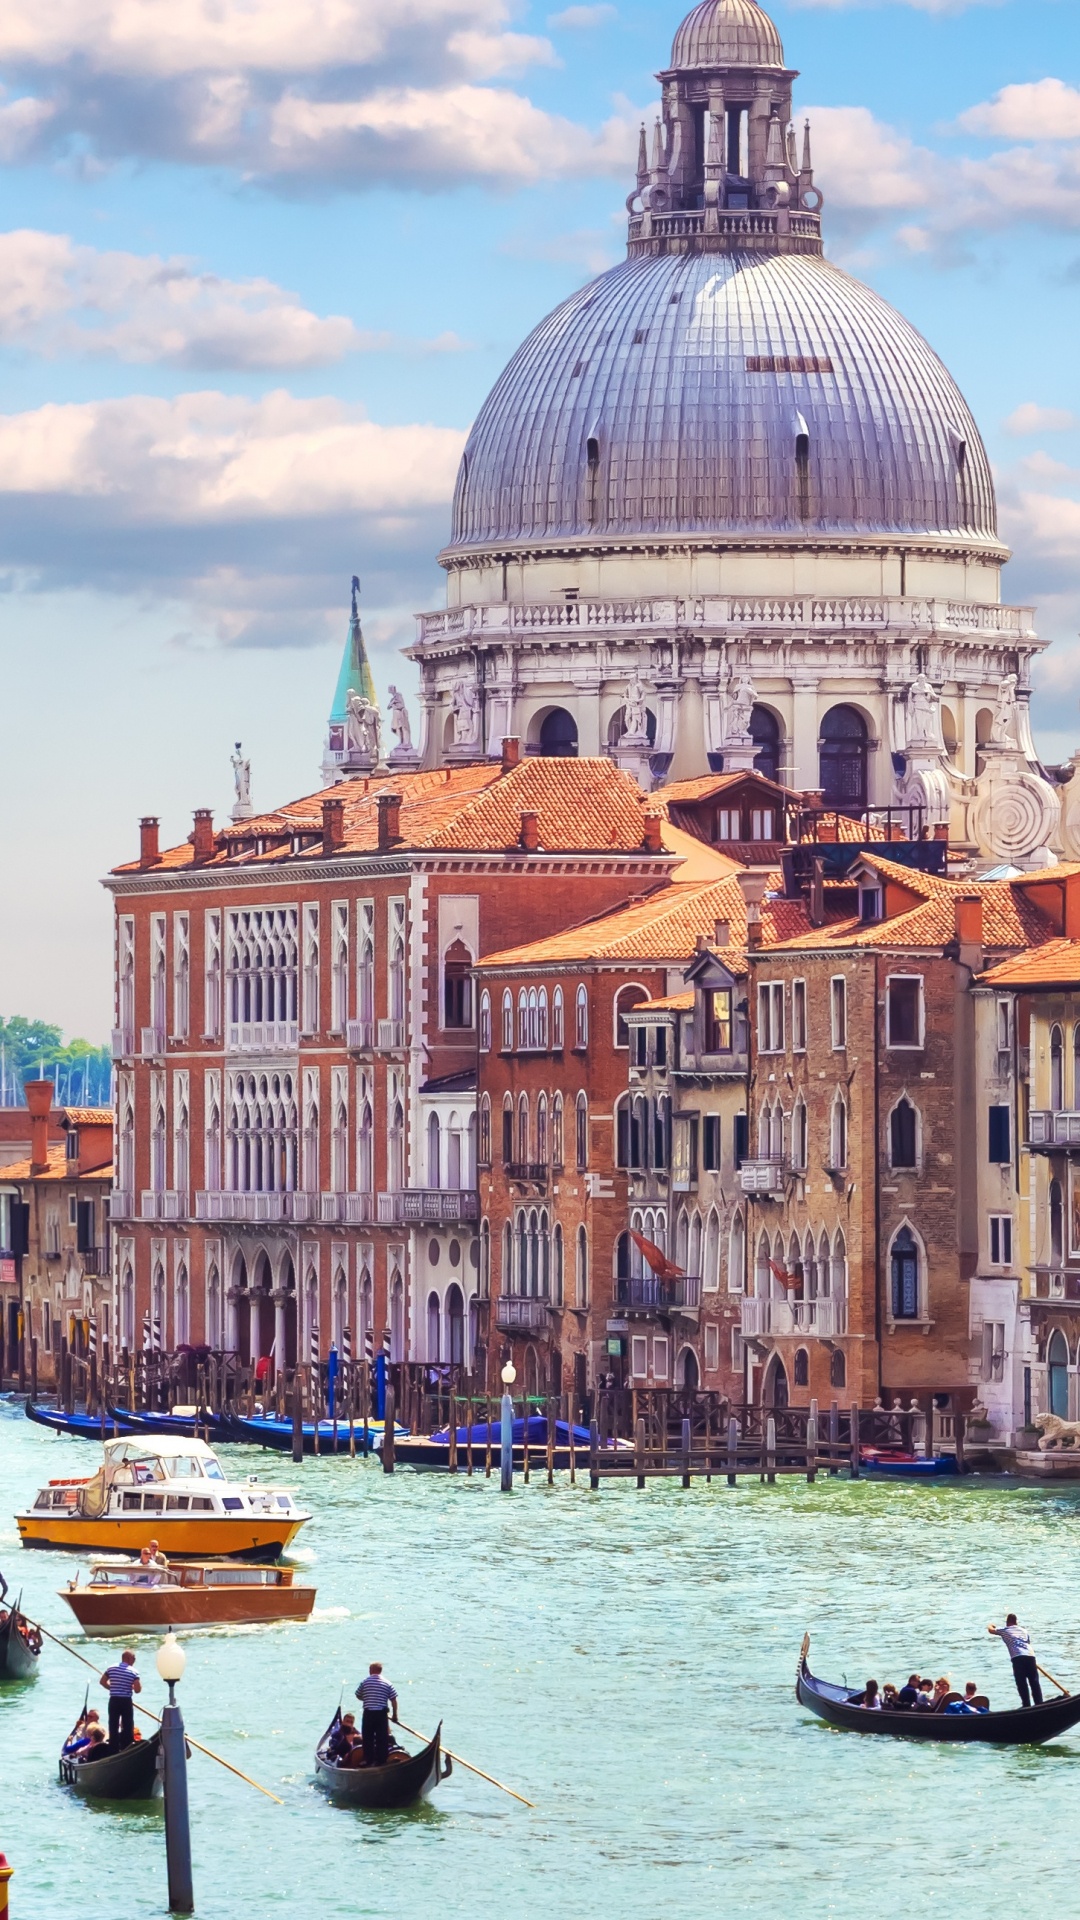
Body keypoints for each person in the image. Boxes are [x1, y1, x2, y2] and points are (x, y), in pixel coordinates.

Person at [989, 1615, 1043, 1707]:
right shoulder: (1024, 1631)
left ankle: (1026, 1705)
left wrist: (991, 1625)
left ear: (1007, 1622)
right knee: (1034, 1681)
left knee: (1021, 1682)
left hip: (1018, 1657)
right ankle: (1039, 1703)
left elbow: (991, 1630)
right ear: (1016, 1622)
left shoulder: (1005, 1630)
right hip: (1030, 1655)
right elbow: (1027, 1642)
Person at [355, 1662, 399, 1767]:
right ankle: (381, 1761)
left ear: (371, 1670)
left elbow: (358, 1695)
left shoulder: (365, 1682)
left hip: (369, 1713)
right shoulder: (387, 1683)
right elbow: (393, 1700)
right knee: (382, 1738)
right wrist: (395, 1715)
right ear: (380, 1671)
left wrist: (366, 1698)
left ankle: (368, 1760)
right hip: (381, 1714)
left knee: (367, 1737)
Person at [100, 1648, 141, 1749]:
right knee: (128, 1724)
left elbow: (102, 1682)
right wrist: (129, 1686)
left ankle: (113, 1746)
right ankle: (127, 1746)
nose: (134, 1661)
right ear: (128, 1658)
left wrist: (113, 1687)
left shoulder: (111, 1668)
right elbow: (137, 1690)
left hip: (114, 1700)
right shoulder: (134, 1672)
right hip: (126, 1701)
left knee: (113, 1723)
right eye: (134, 1658)